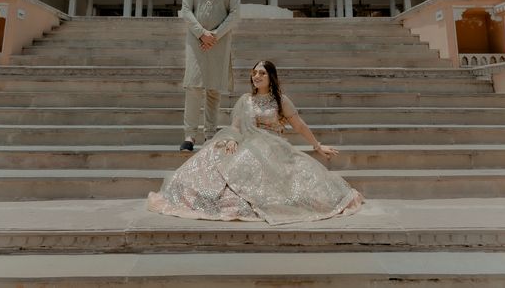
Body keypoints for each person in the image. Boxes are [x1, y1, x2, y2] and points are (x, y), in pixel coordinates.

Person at [148, 60, 363, 225]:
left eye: (262, 73)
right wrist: (232, 139)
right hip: (247, 141)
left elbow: (299, 126)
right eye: (254, 73)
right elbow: (236, 126)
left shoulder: (281, 100)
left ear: (271, 77)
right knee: (215, 151)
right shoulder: (245, 100)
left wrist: (317, 146)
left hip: (273, 147)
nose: (256, 76)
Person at [178, 0, 240, 152]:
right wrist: (201, 33)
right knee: (194, 87)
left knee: (213, 89)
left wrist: (214, 35)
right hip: (196, 42)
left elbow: (234, 14)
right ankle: (189, 135)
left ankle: (210, 134)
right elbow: (186, 11)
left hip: (219, 42)